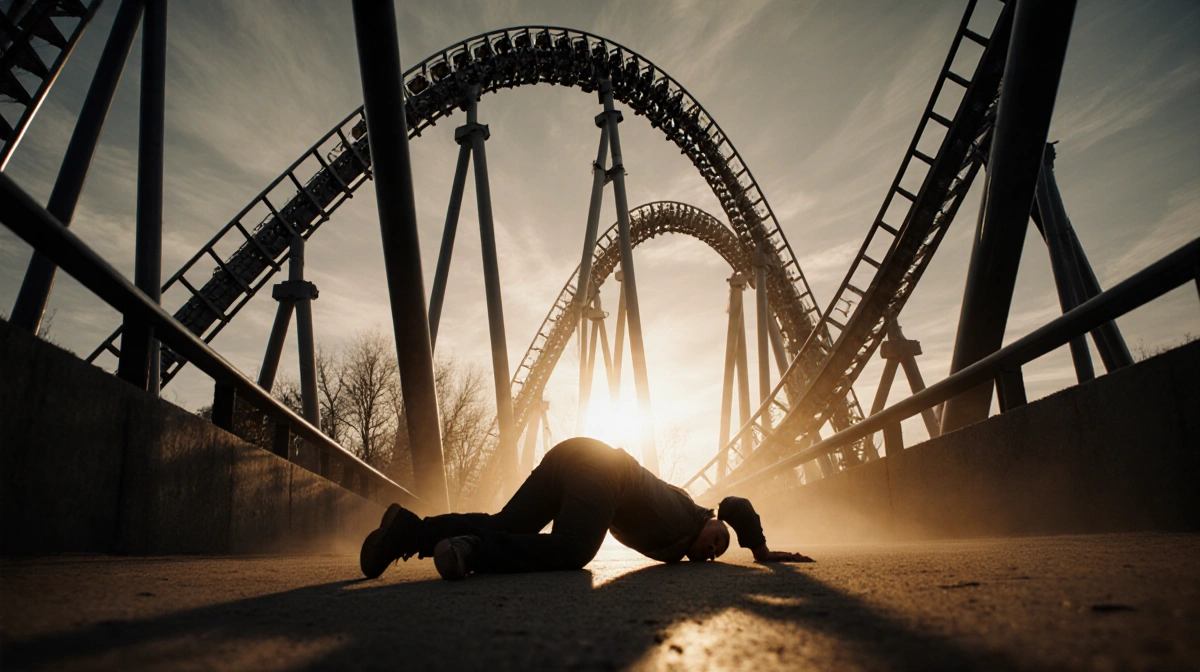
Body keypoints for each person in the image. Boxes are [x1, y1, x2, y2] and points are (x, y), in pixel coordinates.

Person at [360, 437, 812, 581]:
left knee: (509, 524)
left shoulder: (681, 543)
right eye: (718, 537)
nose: (712, 548)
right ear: (713, 518)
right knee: (574, 550)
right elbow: (736, 503)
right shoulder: (692, 513)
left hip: (575, 457)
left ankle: (407, 531)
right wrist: (758, 549)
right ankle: (473, 552)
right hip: (605, 472)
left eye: (716, 552)